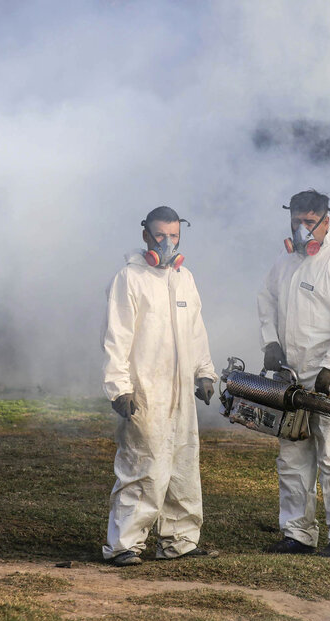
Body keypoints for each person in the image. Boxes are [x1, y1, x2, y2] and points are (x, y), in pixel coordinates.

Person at [100, 205, 219, 567]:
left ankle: (179, 541)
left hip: (180, 390)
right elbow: (117, 336)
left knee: (183, 465)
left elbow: (196, 331)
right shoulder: (129, 278)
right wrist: (119, 387)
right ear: (145, 236)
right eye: (160, 236)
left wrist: (204, 372)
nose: (167, 243)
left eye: (174, 236)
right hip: (145, 390)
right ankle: (124, 544)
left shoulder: (184, 278)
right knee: (143, 466)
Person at [257, 189, 330, 558]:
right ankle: (297, 534)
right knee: (293, 455)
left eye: (309, 221)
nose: (302, 228)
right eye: (296, 221)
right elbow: (266, 300)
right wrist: (270, 342)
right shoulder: (285, 262)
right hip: (292, 375)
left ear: (326, 220)